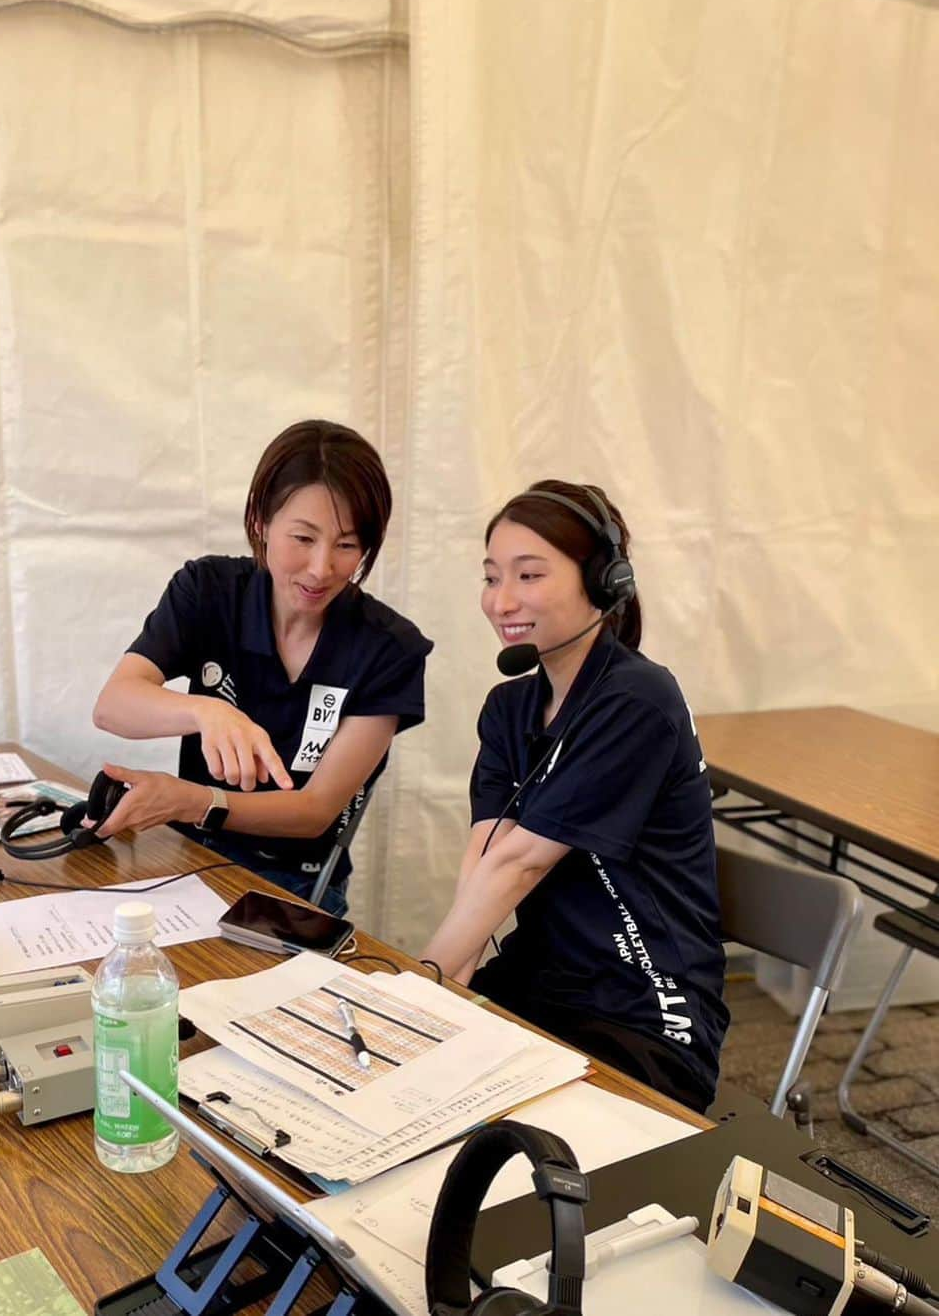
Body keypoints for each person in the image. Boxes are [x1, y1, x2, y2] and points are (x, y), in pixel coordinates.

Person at [421, 480, 727, 1110]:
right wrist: (432, 998)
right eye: (491, 577)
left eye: (529, 575)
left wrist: (418, 989)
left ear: (604, 581)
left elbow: (521, 863)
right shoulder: (511, 707)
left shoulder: (637, 701)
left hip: (643, 1016)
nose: (502, 600)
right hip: (543, 986)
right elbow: (486, 865)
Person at [91, 419, 433, 915]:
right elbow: (113, 705)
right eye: (303, 538)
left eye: (346, 545)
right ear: (260, 521)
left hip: (295, 889)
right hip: (185, 860)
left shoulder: (390, 649)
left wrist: (191, 802)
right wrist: (208, 714)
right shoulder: (208, 591)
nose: (321, 568)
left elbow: (313, 812)